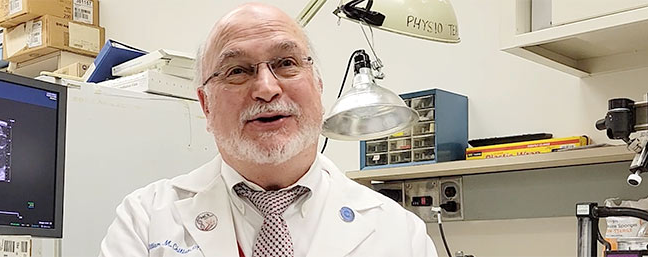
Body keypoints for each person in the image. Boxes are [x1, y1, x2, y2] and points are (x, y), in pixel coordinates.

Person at [98, 3, 438, 257]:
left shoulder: (400, 234)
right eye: (236, 71)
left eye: (286, 63)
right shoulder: (145, 219)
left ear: (318, 86)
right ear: (206, 105)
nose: (266, 88)